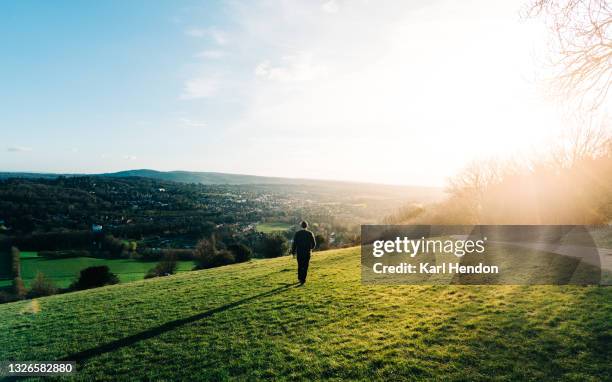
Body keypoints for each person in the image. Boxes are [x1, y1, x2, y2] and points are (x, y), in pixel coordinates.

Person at [291, 220, 316, 285]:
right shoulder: (310, 233)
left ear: (301, 226)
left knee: (300, 265)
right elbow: (314, 244)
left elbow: (294, 244)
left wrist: (293, 253)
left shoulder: (297, 233)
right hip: (307, 253)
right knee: (305, 265)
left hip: (299, 253)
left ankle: (299, 278)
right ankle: (303, 279)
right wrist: (310, 249)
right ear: (307, 226)